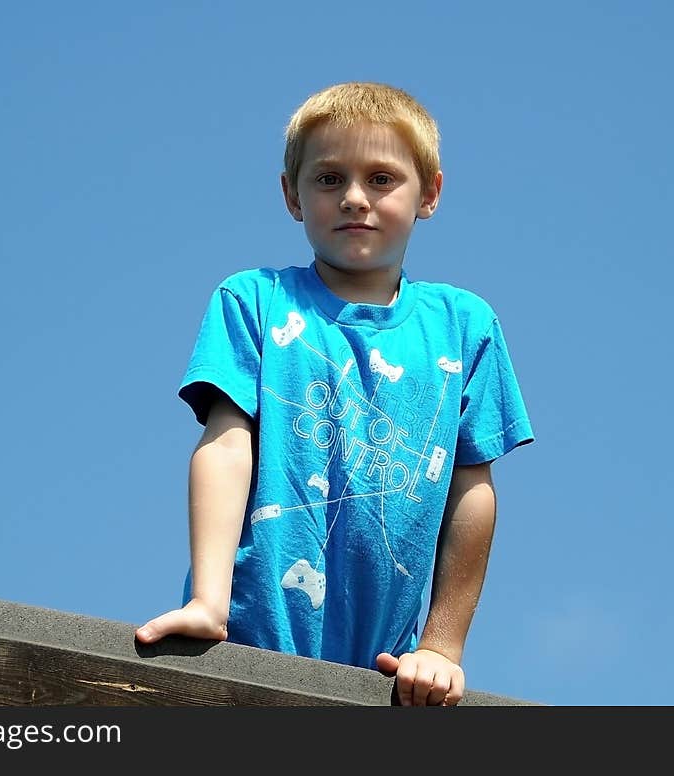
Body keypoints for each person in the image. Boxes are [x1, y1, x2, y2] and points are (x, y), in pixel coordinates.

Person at [135, 81, 534, 706]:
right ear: (291, 194)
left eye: (381, 178)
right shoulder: (254, 301)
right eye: (327, 179)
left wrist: (441, 647)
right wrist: (208, 601)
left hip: (381, 672)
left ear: (428, 193)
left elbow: (471, 486)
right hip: (246, 640)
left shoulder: (466, 325)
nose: (354, 197)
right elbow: (226, 441)